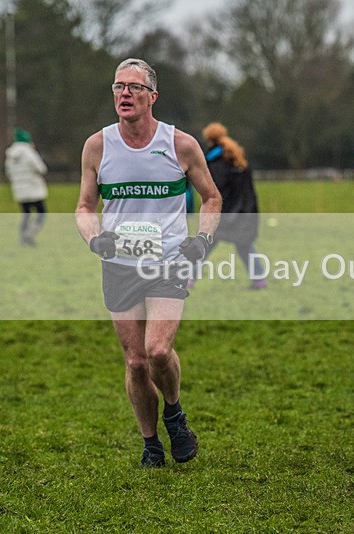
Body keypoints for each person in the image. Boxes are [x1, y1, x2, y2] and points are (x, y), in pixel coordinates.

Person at [75, 58, 222, 468]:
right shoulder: (97, 146)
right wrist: (95, 239)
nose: (125, 93)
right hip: (119, 265)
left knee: (157, 351)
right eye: (118, 86)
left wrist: (202, 240)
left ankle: (174, 413)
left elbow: (212, 198)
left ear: (152, 96)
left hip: (169, 260)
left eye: (134, 87)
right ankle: (151, 444)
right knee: (136, 362)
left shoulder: (181, 144)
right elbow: (84, 206)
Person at [201, 122, 267, 289]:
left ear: (210, 140)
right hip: (245, 211)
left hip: (226, 212)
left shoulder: (215, 162)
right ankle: (259, 279)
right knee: (244, 245)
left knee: (205, 244)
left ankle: (187, 278)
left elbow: (216, 190)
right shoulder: (238, 159)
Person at [5, 128, 48, 246]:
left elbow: (8, 172)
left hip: (20, 190)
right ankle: (30, 234)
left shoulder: (10, 155)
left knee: (26, 214)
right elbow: (41, 169)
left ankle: (23, 237)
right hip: (34, 189)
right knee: (41, 213)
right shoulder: (30, 152)